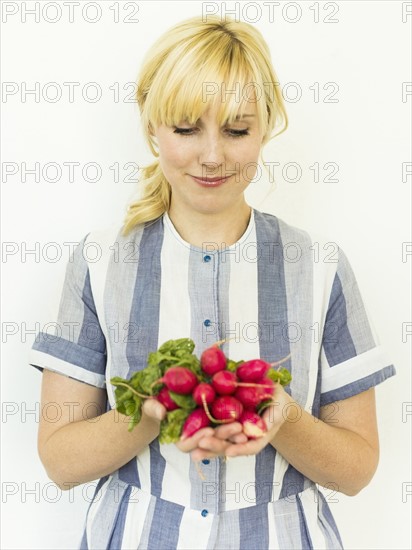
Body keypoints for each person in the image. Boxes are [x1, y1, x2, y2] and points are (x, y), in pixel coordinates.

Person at [29, 15, 396, 550]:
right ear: (152, 125)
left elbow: (357, 469)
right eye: (185, 129)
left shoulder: (319, 265)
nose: (212, 155)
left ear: (266, 127)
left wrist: (282, 416)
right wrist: (154, 410)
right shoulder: (99, 260)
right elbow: (61, 463)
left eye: (237, 129)